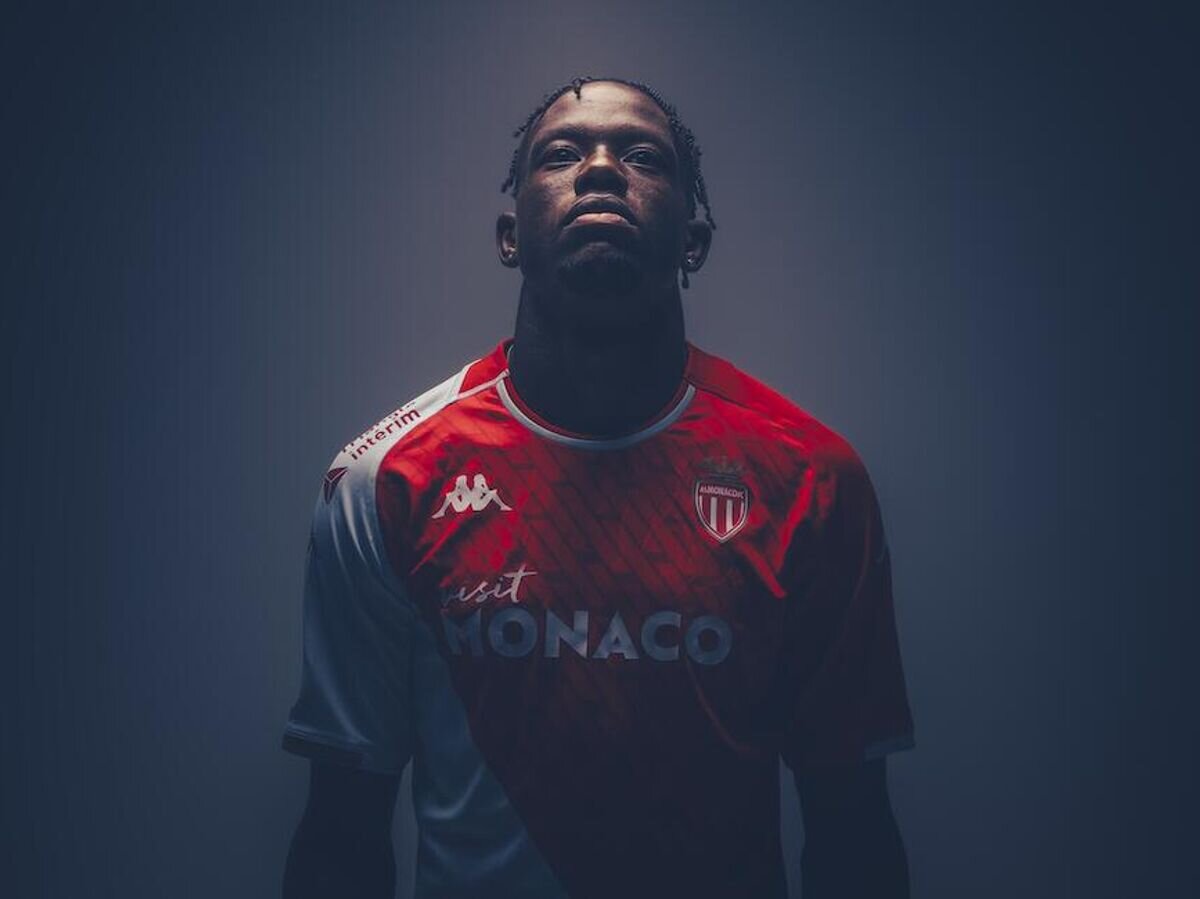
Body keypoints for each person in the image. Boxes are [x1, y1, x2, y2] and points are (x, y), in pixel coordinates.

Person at [281, 76, 914, 899]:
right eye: (562, 154)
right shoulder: (387, 480)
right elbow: (341, 837)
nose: (603, 169)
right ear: (511, 236)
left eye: (643, 155)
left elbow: (853, 832)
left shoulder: (812, 481)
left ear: (693, 242)